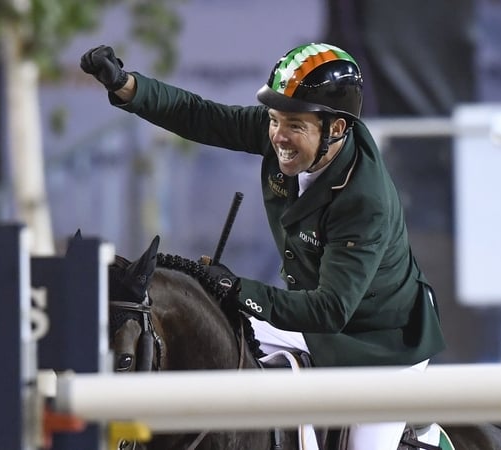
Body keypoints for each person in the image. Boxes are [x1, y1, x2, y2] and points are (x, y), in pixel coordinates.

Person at [80, 42, 446, 450]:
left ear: (336, 129)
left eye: (293, 126)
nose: (278, 137)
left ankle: (424, 434)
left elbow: (330, 310)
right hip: (317, 321)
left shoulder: (365, 201)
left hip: (380, 346)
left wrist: (238, 289)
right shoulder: (292, 130)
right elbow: (203, 116)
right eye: (273, 120)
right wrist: (130, 88)